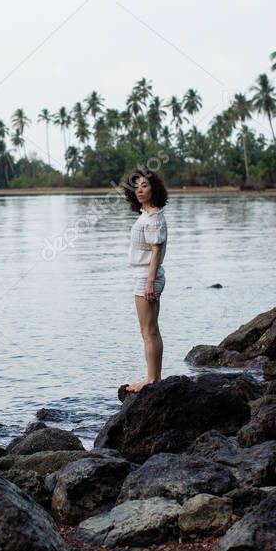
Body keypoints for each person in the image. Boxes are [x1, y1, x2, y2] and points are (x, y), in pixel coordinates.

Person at [122, 168, 169, 393]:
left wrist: (150, 282)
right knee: (151, 330)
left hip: (146, 278)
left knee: (148, 332)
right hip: (145, 277)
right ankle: (154, 377)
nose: (140, 191)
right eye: (136, 187)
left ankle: (152, 379)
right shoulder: (147, 214)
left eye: (144, 186)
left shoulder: (154, 218)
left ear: (154, 189)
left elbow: (156, 252)